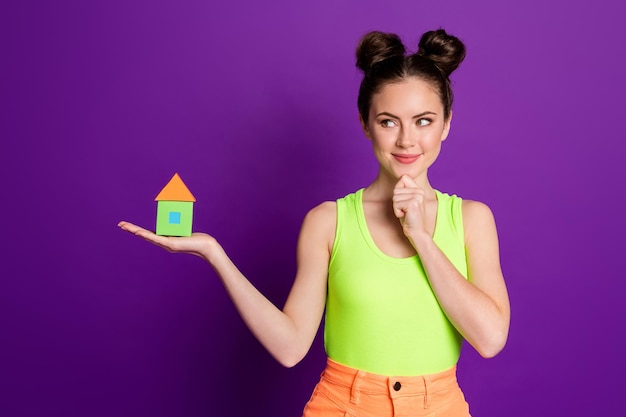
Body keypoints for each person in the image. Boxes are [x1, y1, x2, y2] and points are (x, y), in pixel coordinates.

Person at [119, 28, 510, 417]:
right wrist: (214, 254)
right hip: (343, 406)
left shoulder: (472, 219)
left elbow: (490, 339)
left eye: (423, 121)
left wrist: (422, 238)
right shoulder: (328, 221)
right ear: (365, 123)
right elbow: (290, 348)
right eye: (389, 121)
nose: (407, 140)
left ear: (446, 124)